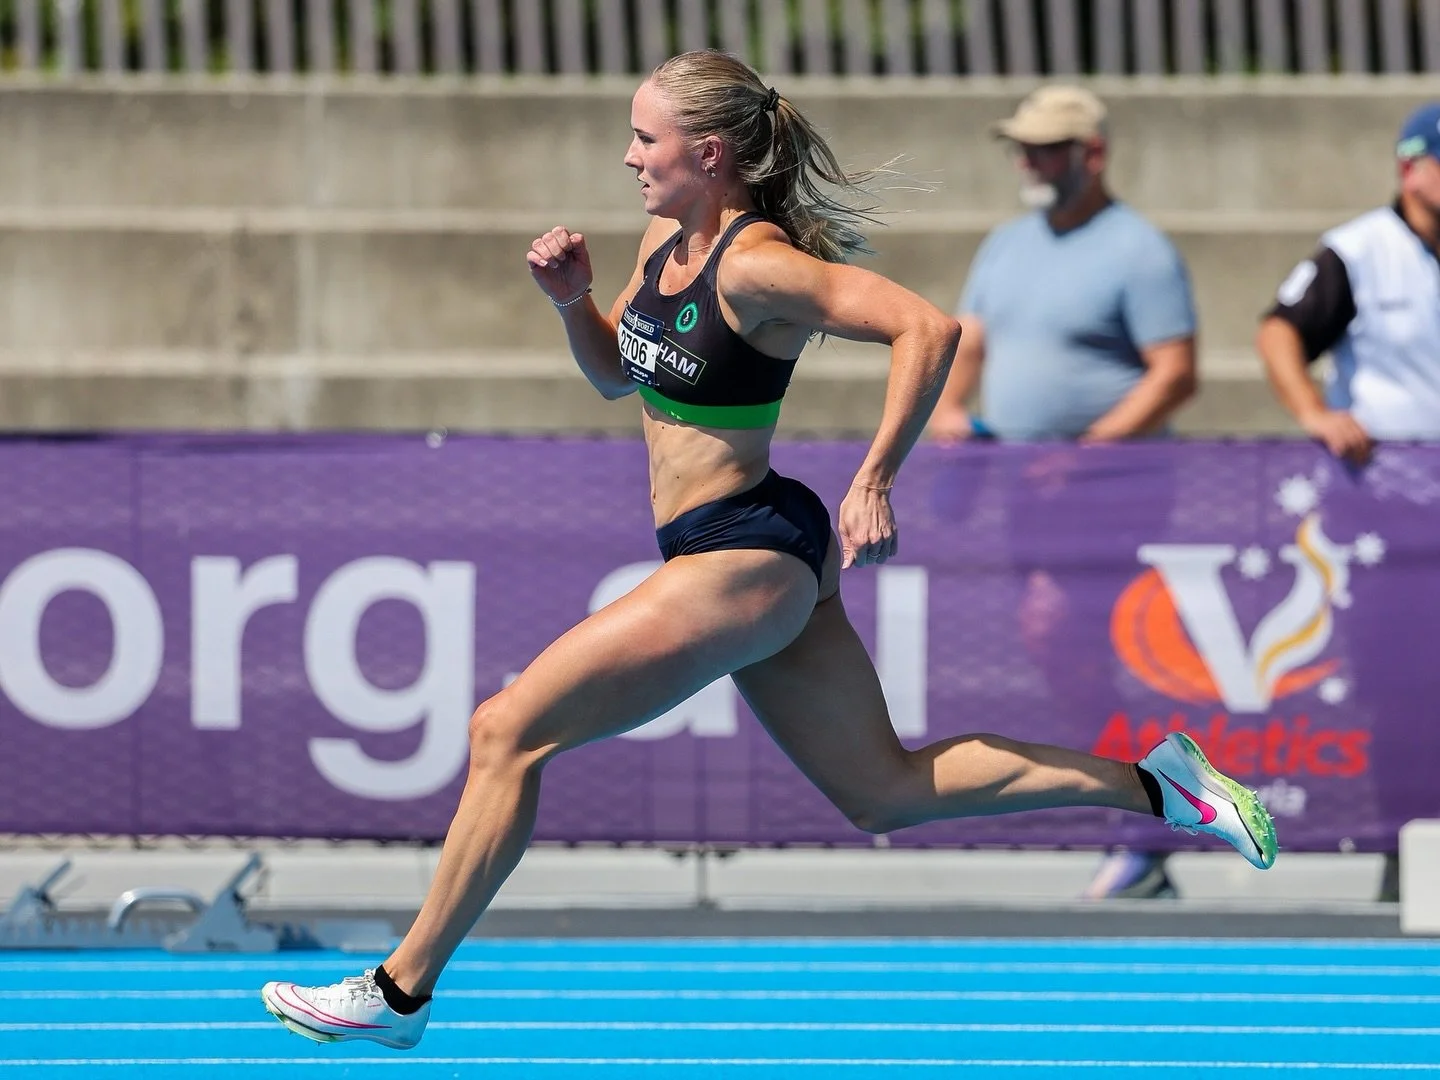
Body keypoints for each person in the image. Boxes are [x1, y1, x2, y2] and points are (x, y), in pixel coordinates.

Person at [259, 51, 1274, 1051]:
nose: (628, 158)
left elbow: (928, 329)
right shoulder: (664, 234)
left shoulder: (759, 264)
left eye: (644, 138)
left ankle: (399, 993)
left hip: (745, 548)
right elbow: (621, 376)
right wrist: (574, 301)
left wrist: (874, 476)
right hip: (753, 545)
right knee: (885, 793)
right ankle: (1162, 786)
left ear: (707, 153)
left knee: (506, 731)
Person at [927, 86, 1199, 901]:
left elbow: (1174, 374)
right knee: (1066, 654)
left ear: (1093, 152)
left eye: (1047, 148)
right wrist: (948, 409)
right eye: (1024, 147)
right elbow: (969, 340)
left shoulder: (1139, 251)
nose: (1029, 162)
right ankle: (1145, 808)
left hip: (1113, 492)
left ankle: (1144, 814)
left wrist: (1088, 452)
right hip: (1024, 491)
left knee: (1066, 636)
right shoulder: (1008, 244)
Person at [1256, 101, 1440, 903]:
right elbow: (1279, 330)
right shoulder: (1360, 251)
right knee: (1399, 687)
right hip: (1390, 514)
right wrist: (1314, 414)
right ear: (1411, 169)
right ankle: (1407, 855)